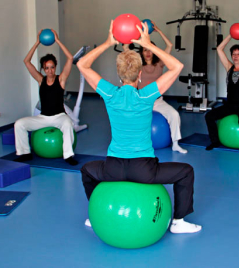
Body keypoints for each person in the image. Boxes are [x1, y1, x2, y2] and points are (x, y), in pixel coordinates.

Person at [77, 21, 201, 234]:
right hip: (144, 170)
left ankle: (95, 212)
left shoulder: (110, 93)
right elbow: (177, 67)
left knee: (87, 170)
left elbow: (82, 65)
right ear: (140, 75)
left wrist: (108, 43)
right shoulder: (147, 95)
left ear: (118, 75)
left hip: (113, 168)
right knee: (186, 171)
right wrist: (149, 45)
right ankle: (178, 222)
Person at [14, 29, 78, 166]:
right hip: (43, 118)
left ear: (55, 67)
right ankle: (24, 153)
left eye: (52, 67)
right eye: (47, 68)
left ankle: (68, 156)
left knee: (68, 123)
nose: (50, 70)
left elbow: (70, 58)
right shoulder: (40, 80)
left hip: (59, 117)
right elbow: (26, 61)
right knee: (19, 124)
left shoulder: (61, 80)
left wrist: (58, 41)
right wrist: (37, 42)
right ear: (43, 69)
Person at [138, 21, 187, 154]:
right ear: (141, 52)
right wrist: (139, 35)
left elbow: (169, 45)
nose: (148, 53)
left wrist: (158, 31)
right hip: (141, 101)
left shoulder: (160, 62)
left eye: (150, 50)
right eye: (145, 50)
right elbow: (126, 50)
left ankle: (175, 144)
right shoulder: (137, 65)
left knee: (174, 115)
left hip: (157, 101)